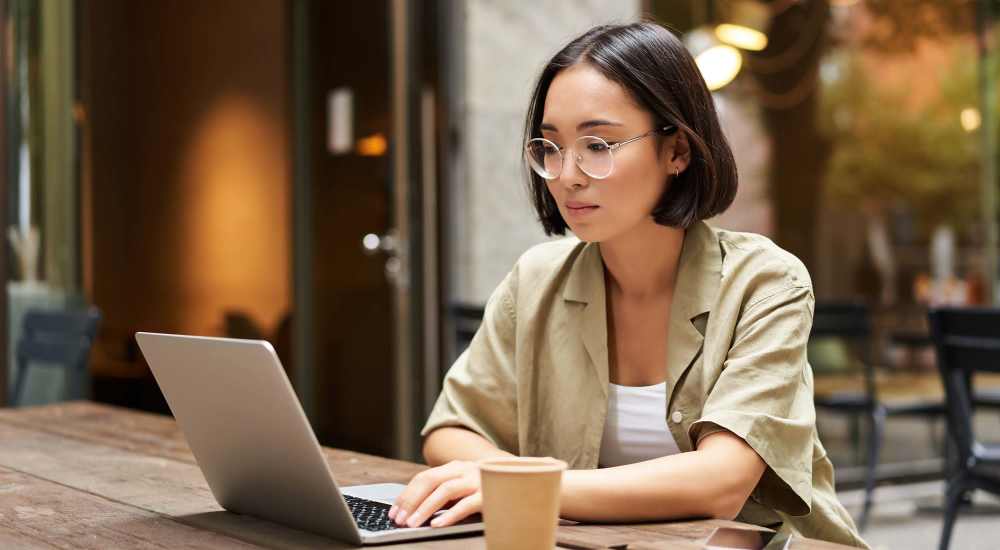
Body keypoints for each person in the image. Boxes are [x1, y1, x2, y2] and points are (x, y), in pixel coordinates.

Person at [388, 21, 868, 548]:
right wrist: (513, 483)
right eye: (550, 146)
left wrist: (526, 487)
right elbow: (451, 431)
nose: (567, 173)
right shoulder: (537, 279)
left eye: (598, 144)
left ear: (677, 151)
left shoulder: (766, 282)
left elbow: (721, 482)